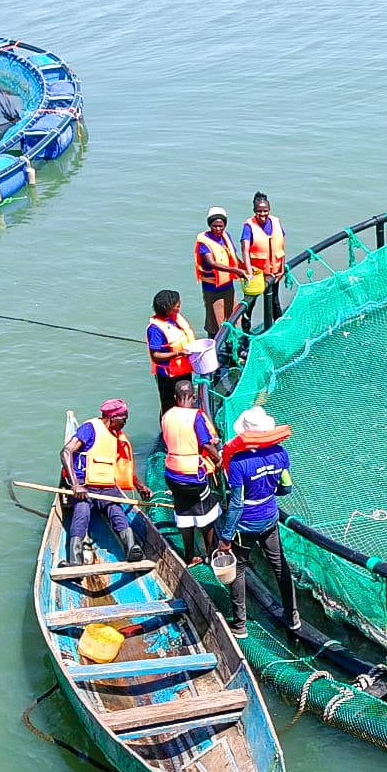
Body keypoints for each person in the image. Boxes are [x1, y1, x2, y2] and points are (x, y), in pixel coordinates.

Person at [213, 406, 295, 638]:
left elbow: (237, 503)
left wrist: (226, 537)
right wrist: (269, 492)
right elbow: (287, 487)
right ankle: (293, 618)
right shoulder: (280, 453)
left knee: (238, 569)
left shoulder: (239, 462)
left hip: (245, 525)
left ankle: (240, 625)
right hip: (270, 517)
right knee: (279, 565)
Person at [57, 399, 143, 568]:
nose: (125, 422)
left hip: (105, 485)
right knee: (82, 511)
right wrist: (75, 484)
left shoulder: (116, 434)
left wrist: (140, 486)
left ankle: (131, 548)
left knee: (115, 510)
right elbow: (66, 452)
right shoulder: (90, 429)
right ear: (112, 417)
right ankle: (75, 558)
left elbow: (123, 464)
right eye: (123, 419)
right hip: (84, 485)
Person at [160, 379, 223, 562]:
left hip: (172, 473)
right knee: (206, 515)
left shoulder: (167, 416)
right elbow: (205, 443)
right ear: (194, 397)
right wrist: (219, 459)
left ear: (175, 397)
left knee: (183, 513)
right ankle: (211, 554)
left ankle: (189, 556)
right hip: (193, 475)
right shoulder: (196, 417)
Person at [195, 206, 249, 335]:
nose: (218, 229)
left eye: (221, 226)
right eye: (215, 226)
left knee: (232, 318)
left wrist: (244, 267)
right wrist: (235, 271)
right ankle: (215, 345)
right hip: (212, 288)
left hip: (227, 285)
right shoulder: (204, 242)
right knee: (215, 323)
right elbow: (211, 263)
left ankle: (233, 344)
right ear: (209, 225)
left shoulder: (226, 237)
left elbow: (233, 256)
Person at [146, 289, 197, 422]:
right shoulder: (155, 330)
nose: (179, 306)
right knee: (169, 405)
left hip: (183, 369)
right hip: (168, 376)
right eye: (177, 305)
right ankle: (167, 427)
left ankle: (185, 423)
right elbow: (155, 355)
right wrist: (178, 353)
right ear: (168, 308)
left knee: (186, 399)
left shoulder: (175, 319)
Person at [239, 192, 287, 328]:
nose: (262, 214)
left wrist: (282, 269)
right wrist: (249, 272)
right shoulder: (249, 226)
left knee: (275, 301)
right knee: (249, 305)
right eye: (259, 211)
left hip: (274, 272)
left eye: (265, 211)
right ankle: (246, 334)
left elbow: (281, 246)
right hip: (256, 274)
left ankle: (279, 330)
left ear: (269, 210)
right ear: (254, 211)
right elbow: (245, 249)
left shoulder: (276, 222)